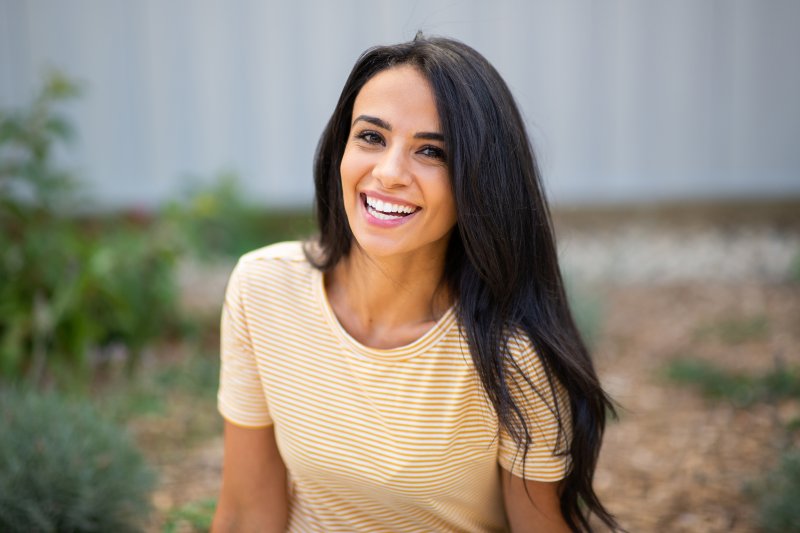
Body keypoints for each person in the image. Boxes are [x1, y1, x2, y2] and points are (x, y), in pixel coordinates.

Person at [211, 33, 618, 533]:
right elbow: (247, 513)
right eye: (371, 137)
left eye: (431, 151)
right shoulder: (264, 289)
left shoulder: (512, 351)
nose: (389, 172)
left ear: (479, 181)